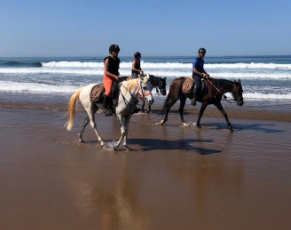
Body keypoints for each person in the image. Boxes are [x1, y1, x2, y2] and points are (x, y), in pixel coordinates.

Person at [103, 44, 120, 116]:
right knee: (109, 91)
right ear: (111, 51)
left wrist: (117, 76)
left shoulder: (118, 59)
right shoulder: (108, 59)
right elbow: (106, 72)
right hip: (108, 78)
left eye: (117, 51)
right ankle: (105, 108)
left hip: (115, 77)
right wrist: (114, 76)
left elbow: (116, 70)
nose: (116, 52)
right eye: (114, 51)